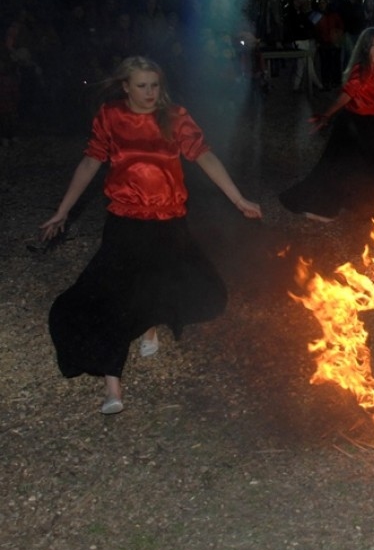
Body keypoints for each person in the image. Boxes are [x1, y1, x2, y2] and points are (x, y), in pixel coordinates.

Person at [40, 56, 262, 415]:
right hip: (125, 222)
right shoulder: (110, 116)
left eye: (154, 85)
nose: (149, 93)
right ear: (125, 86)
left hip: (169, 222)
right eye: (141, 86)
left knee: (204, 290)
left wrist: (238, 199)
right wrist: (63, 210)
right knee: (112, 296)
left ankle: (150, 322)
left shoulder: (174, 116)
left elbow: (204, 157)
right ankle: (113, 386)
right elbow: (89, 162)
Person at [278, 26, 374, 221]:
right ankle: (319, 207)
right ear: (365, 47)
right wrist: (326, 116)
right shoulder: (362, 69)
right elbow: (346, 96)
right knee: (343, 166)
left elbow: (366, 90)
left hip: (366, 122)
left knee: (372, 163)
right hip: (353, 124)